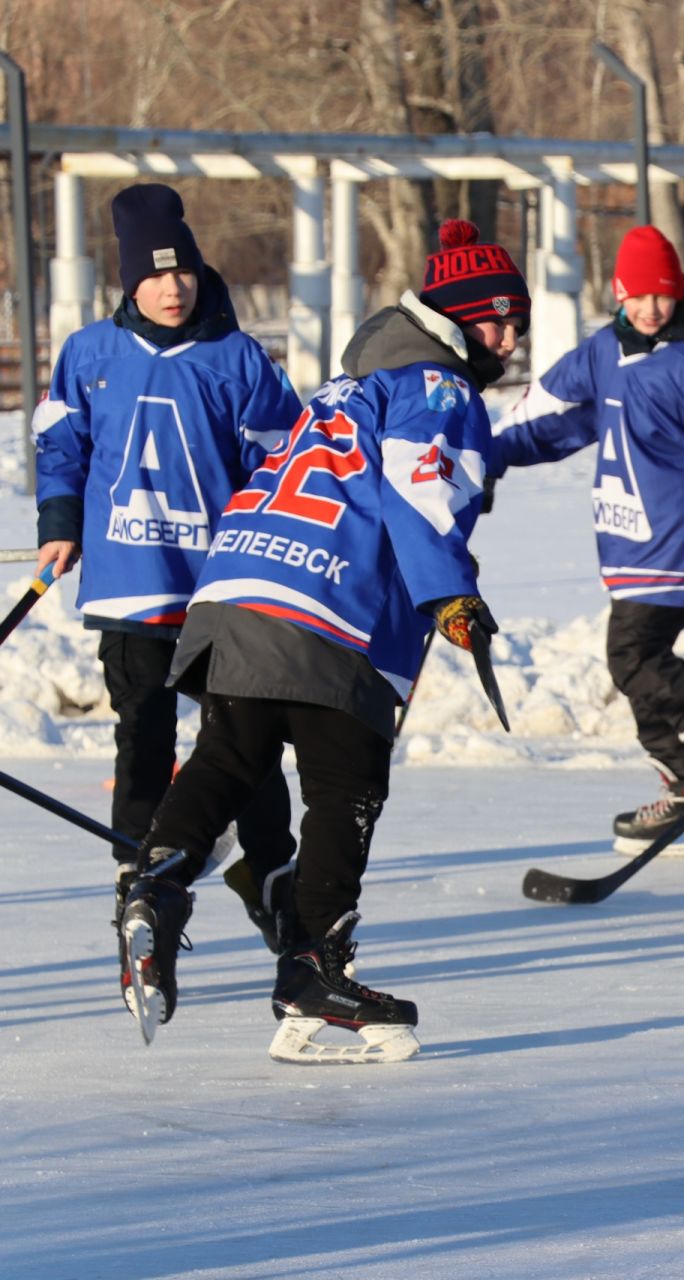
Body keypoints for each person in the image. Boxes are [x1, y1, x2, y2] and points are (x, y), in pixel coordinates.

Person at [115, 218, 522, 1062]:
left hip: (238, 587)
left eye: (516, 319)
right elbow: (422, 491)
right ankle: (313, 975)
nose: (509, 336)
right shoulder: (440, 386)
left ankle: (153, 886)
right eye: (493, 319)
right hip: (328, 608)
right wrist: (450, 595)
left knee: (230, 758)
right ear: (448, 319)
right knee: (345, 788)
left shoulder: (352, 385)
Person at [33, 182, 301, 950]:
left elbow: (283, 462)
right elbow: (62, 446)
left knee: (245, 740)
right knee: (142, 735)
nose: (172, 286)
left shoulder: (237, 358)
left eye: (181, 270)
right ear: (129, 280)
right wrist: (60, 519)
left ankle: (272, 872)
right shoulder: (89, 354)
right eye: (153, 275)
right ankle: (138, 879)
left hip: (220, 592)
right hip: (129, 582)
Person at [492, 226, 684, 852]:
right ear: (618, 293)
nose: (653, 308)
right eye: (641, 296)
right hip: (628, 540)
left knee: (632, 656)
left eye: (665, 295)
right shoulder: (604, 353)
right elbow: (551, 414)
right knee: (632, 664)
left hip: (682, 534)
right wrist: (488, 454)